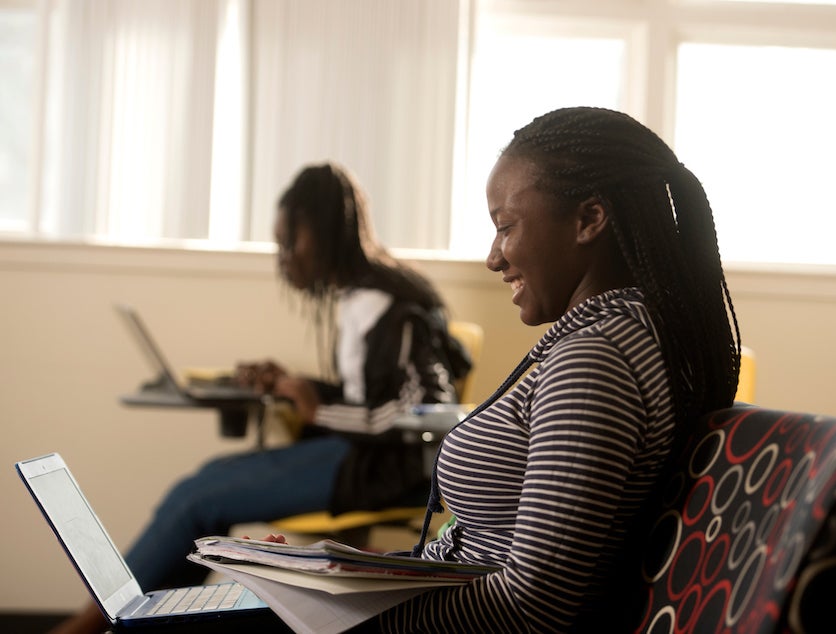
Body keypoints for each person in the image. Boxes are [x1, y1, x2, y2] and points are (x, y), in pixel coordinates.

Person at [339, 105, 739, 632]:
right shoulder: (624, 335)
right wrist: (335, 580)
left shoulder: (596, 360)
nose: (494, 257)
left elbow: (534, 607)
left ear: (589, 220)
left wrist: (356, 616)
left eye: (506, 227)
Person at [51, 162, 470, 634]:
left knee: (197, 498)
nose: (284, 256)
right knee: (204, 483)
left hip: (383, 467)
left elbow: (430, 409)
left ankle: (94, 623)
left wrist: (320, 408)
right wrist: (295, 385)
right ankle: (139, 621)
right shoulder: (359, 296)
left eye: (291, 241)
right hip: (358, 454)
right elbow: (368, 394)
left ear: (328, 232)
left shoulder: (391, 302)